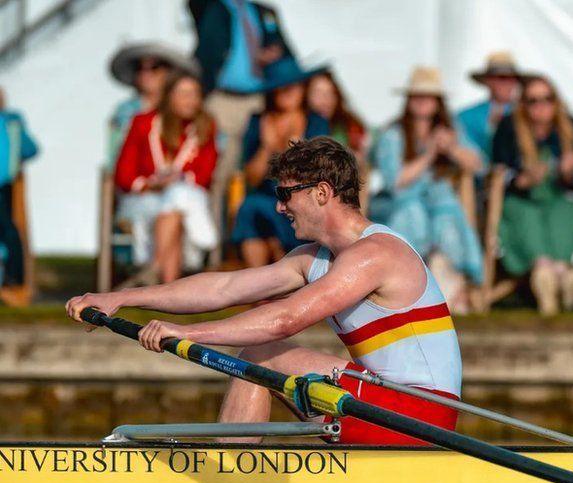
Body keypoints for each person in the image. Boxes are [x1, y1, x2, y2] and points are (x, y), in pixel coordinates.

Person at [67, 136, 462, 446]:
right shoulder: (314, 259)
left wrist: (189, 333)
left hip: (421, 418)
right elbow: (223, 287)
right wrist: (120, 298)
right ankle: (237, 468)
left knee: (261, 354)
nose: (279, 208)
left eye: (285, 194)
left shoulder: (375, 254)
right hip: (381, 405)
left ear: (321, 193)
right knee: (260, 358)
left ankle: (231, 474)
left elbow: (285, 319)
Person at [187, 0, 297, 263]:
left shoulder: (263, 12)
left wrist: (273, 52)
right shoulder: (212, 7)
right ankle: (213, 253)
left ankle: (250, 246)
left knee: (259, 173)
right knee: (218, 173)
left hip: (258, 100)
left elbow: (287, 53)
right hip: (222, 101)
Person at [370, 67, 484, 313]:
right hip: (398, 205)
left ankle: (451, 284)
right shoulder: (394, 134)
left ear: (437, 102)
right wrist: (431, 154)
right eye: (417, 96)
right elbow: (396, 181)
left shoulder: (450, 130)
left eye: (428, 96)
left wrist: (451, 149)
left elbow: (478, 164)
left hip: (439, 208)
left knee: (448, 215)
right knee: (412, 213)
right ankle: (407, 277)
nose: (423, 101)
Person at [491, 74, 573, 316]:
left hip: (560, 197)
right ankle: (546, 270)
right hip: (523, 198)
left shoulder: (569, 126)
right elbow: (497, 173)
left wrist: (569, 172)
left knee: (564, 212)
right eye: (533, 100)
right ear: (524, 104)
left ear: (556, 101)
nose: (541, 105)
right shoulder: (509, 127)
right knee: (524, 215)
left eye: (547, 99)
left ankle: (561, 272)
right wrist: (522, 180)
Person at [114, 70, 219, 284]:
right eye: (184, 94)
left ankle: (155, 271)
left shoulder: (206, 126)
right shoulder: (143, 123)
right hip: (146, 199)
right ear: (169, 96)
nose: (191, 100)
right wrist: (152, 184)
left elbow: (205, 174)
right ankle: (169, 286)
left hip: (187, 198)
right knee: (175, 208)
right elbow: (124, 174)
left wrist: (177, 180)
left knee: (177, 200)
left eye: (195, 94)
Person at [230, 58, 330, 268]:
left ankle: (279, 276)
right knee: (251, 207)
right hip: (266, 198)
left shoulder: (316, 123)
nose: (287, 92)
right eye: (281, 87)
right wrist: (266, 147)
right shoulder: (258, 122)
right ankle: (258, 286)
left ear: (302, 88)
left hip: (305, 197)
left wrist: (292, 150)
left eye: (292, 86)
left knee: (280, 214)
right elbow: (251, 178)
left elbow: (320, 172)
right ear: (271, 91)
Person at [106, 43, 200, 170]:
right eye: (140, 68)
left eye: (155, 67)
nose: (146, 73)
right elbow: (116, 157)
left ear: (169, 72)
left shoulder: (186, 106)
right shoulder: (125, 112)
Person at [0, 88, 39, 289]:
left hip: (4, 186)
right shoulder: (10, 122)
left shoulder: (11, 122)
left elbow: (30, 149)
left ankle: (15, 278)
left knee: (7, 230)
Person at [456, 52, 521, 165]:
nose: (507, 83)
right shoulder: (465, 117)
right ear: (488, 80)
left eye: (512, 78)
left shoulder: (528, 114)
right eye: (502, 78)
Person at [306, 68, 369, 163]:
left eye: (329, 93)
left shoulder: (350, 126)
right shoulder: (300, 125)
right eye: (318, 93)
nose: (325, 100)